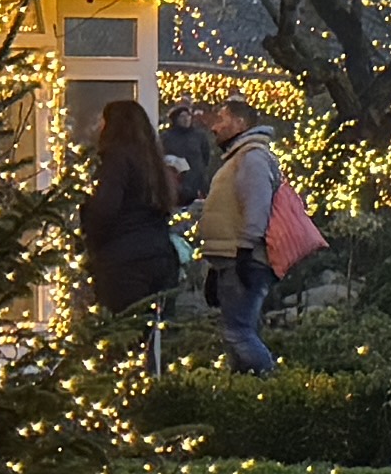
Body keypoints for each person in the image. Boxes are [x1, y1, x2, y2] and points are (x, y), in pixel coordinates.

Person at [191, 97, 303, 371]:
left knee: (237, 331)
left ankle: (269, 382)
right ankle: (248, 391)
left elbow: (257, 206)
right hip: (232, 258)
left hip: (245, 258)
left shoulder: (251, 158)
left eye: (221, 119)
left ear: (240, 123)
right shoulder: (240, 158)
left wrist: (244, 250)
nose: (214, 127)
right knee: (239, 331)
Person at [79, 99, 182, 321]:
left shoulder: (116, 158)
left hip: (125, 261)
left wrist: (90, 233)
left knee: (124, 335)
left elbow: (105, 208)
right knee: (155, 336)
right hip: (161, 256)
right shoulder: (152, 160)